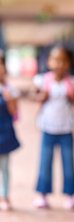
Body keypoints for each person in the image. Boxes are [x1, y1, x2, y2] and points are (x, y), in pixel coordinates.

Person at [32, 45, 74, 210]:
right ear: (48, 62)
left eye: (63, 60)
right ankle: (42, 195)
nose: (59, 63)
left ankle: (70, 196)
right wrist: (42, 96)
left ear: (69, 63)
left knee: (68, 163)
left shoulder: (73, 82)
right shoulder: (42, 80)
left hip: (66, 129)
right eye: (55, 60)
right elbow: (36, 98)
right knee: (45, 162)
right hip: (47, 128)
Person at [0, 49, 20, 211]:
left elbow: (15, 113)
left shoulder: (9, 89)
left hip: (4, 134)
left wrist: (9, 99)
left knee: (5, 167)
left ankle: (4, 195)